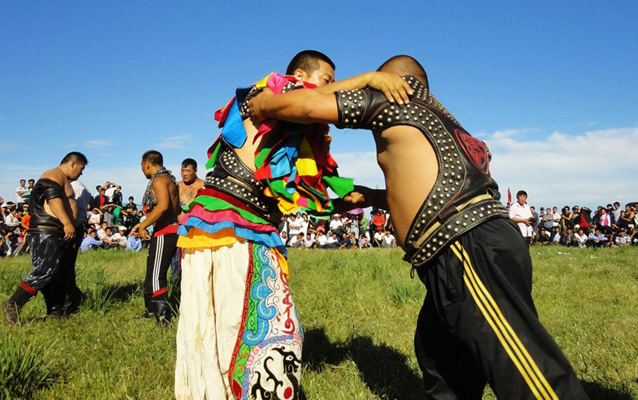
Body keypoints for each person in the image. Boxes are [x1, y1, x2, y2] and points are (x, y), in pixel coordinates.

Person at [248, 55, 588, 399]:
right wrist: (375, 197)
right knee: (442, 359)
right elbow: (430, 185)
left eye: (374, 81)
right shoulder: (448, 121)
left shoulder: (396, 96)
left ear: (391, 80)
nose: (368, 87)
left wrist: (263, 102)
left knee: (526, 371)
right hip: (478, 242)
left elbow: (304, 106)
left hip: (465, 248)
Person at [174, 50, 399, 399]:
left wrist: (387, 197)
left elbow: (326, 198)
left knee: (233, 333)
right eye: (327, 81)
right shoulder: (263, 97)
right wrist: (368, 80)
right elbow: (309, 103)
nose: (333, 89)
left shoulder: (296, 139)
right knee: (243, 333)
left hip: (244, 233)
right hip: (227, 231)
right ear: (299, 74)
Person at [2, 152, 88, 325]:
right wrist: (67, 222)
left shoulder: (62, 178)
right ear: (72, 163)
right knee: (45, 271)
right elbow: (53, 198)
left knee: (57, 273)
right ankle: (13, 303)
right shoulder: (53, 175)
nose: (81, 173)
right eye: (81, 168)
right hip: (45, 231)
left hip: (54, 231)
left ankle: (56, 312)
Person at [131, 150, 180, 323]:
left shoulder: (159, 180)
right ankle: (151, 310)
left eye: (142, 166)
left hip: (165, 231)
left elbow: (163, 206)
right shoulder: (169, 179)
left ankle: (163, 317)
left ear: (147, 164)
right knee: (152, 271)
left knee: (156, 275)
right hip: (169, 230)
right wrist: (142, 224)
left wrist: (144, 224)